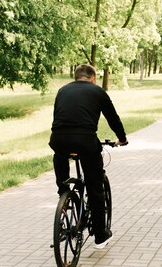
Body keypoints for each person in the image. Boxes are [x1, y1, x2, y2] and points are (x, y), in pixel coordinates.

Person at [49, 64, 128, 249]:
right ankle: (100, 235)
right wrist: (122, 139)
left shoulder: (62, 90)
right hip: (86, 142)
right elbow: (112, 118)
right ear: (93, 78)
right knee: (95, 187)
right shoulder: (98, 91)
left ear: (76, 77)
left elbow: (58, 116)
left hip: (58, 139)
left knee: (59, 155)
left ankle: (63, 192)